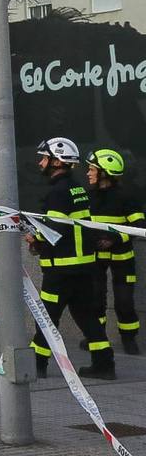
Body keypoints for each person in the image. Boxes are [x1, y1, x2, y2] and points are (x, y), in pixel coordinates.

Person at [27, 137, 115, 379]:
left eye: (45, 158)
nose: (41, 163)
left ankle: (37, 365)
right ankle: (104, 363)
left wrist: (36, 241)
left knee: (46, 319)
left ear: (57, 162)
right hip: (83, 268)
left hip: (60, 271)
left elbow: (53, 229)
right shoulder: (78, 189)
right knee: (88, 318)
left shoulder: (57, 192)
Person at [85, 148, 141, 355]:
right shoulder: (88, 196)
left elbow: (139, 226)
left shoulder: (127, 197)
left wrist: (114, 240)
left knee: (124, 301)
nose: (88, 173)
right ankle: (96, 336)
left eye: (92, 169)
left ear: (104, 173)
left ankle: (129, 339)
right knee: (95, 298)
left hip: (122, 257)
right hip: (96, 257)